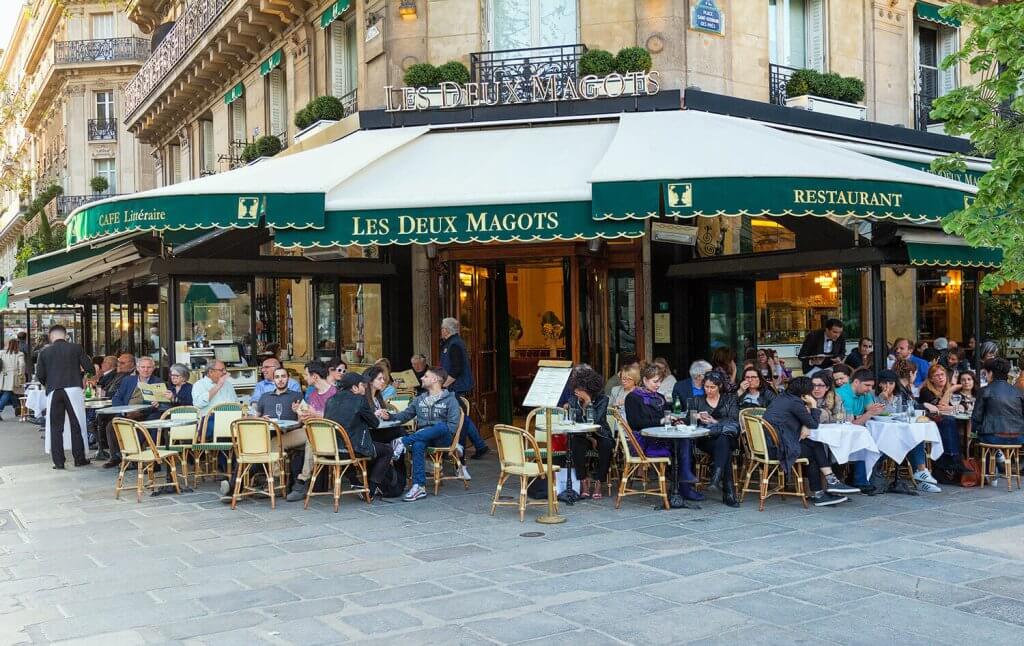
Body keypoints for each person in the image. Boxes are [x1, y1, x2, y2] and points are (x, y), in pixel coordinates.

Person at [762, 377, 859, 506]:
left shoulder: (783, 397)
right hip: (778, 449)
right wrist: (813, 405)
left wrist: (805, 424)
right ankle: (828, 484)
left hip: (770, 445)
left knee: (813, 445)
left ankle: (824, 489)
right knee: (815, 448)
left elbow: (805, 422)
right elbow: (813, 424)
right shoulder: (795, 402)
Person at [383, 367, 462, 502]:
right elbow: (405, 415)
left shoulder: (450, 400)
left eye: (425, 376)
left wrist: (431, 431)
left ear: (435, 379)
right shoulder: (420, 399)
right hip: (423, 437)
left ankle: (404, 441)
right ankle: (419, 486)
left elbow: (452, 427)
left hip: (443, 438)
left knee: (441, 426)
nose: (421, 378)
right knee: (418, 445)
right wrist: (389, 416)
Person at [624, 365, 701, 503]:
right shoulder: (632, 398)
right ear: (645, 380)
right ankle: (684, 485)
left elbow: (667, 418)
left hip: (662, 437)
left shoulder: (659, 397)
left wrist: (675, 421)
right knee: (681, 444)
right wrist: (661, 420)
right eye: (655, 381)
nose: (658, 385)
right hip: (643, 441)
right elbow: (636, 423)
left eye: (660, 381)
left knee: (685, 439)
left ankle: (681, 485)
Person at [324, 372, 393, 495]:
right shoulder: (360, 400)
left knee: (348, 446)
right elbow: (375, 424)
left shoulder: (330, 400)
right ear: (355, 388)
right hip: (353, 449)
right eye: (362, 385)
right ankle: (370, 490)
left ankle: (355, 481)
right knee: (387, 450)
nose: (365, 387)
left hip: (331, 450)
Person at [35, 325, 93, 470]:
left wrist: (48, 383)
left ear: (51, 336)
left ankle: (58, 462)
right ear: (66, 336)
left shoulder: (44, 351)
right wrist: (83, 376)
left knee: (55, 427)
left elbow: (40, 375)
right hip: (73, 387)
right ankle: (79, 458)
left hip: (53, 389)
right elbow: (89, 368)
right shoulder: (76, 348)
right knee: (76, 424)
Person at [873, 369, 939, 491]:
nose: (888, 386)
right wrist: (883, 399)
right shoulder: (873, 395)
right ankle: (920, 477)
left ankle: (921, 472)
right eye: (885, 383)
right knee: (911, 438)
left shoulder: (897, 397)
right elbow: (880, 413)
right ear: (879, 384)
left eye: (891, 383)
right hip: (881, 435)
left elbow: (899, 413)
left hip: (896, 432)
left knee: (915, 437)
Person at [439, 317, 489, 459]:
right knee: (462, 416)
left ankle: (464, 448)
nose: (441, 331)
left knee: (461, 416)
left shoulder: (454, 344)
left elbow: (456, 369)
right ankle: (479, 445)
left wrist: (444, 385)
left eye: (442, 328)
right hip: (455, 385)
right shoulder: (452, 342)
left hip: (456, 386)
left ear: (447, 330)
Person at [690, 371, 741, 507]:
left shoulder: (729, 399)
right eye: (706, 387)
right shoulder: (696, 400)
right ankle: (728, 491)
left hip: (726, 437)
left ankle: (717, 477)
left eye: (712, 387)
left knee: (723, 440)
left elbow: (733, 421)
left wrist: (713, 422)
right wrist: (696, 418)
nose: (709, 390)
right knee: (724, 446)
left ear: (719, 386)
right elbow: (689, 424)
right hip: (706, 440)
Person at [565, 367, 614, 500]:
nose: (576, 392)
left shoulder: (603, 399)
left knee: (607, 445)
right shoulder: (573, 400)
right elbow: (576, 421)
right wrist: (583, 404)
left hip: (600, 433)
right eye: (576, 388)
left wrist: (588, 402)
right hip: (581, 434)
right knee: (576, 443)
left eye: (580, 389)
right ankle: (583, 480)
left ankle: (599, 481)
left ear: (589, 389)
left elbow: (596, 421)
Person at [837, 368, 885, 494]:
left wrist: (875, 408)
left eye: (871, 386)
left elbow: (873, 410)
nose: (870, 389)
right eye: (867, 385)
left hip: (857, 429)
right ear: (856, 382)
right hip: (841, 431)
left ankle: (864, 477)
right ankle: (860, 480)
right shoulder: (843, 394)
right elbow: (852, 423)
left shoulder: (865, 393)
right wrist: (868, 413)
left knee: (881, 440)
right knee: (866, 440)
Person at [918, 364, 966, 471]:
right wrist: (950, 391)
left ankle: (956, 459)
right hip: (930, 423)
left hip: (948, 422)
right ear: (931, 379)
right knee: (949, 421)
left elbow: (963, 406)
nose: (941, 377)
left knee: (954, 423)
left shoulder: (950, 389)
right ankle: (952, 459)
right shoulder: (926, 391)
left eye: (942, 374)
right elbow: (937, 407)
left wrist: (949, 407)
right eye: (937, 375)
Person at [972, 357, 1024, 447]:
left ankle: (988, 461)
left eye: (986, 373)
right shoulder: (1018, 391)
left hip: (992, 436)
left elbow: (976, 417)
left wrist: (973, 434)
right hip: (1018, 437)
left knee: (979, 441)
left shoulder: (984, 391)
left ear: (991, 373)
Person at [0, 337, 26, 420]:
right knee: (7, 393)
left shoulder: (1, 353)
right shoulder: (19, 353)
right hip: (13, 376)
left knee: (11, 392)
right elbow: (22, 365)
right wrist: (21, 374)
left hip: (3, 375)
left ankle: (17, 408)